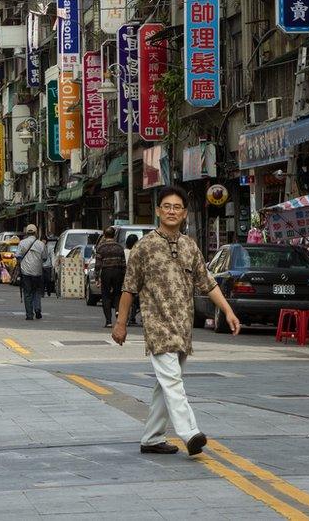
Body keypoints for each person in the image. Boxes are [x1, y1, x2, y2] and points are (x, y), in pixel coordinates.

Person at [113, 186, 241, 457]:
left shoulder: (189, 246)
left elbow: (208, 284)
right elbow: (129, 288)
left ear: (184, 214)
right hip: (157, 326)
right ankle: (190, 433)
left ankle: (151, 437)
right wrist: (120, 323)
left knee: (166, 383)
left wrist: (228, 311)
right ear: (159, 211)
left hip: (183, 327)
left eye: (177, 207)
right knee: (172, 381)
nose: (171, 211)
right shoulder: (144, 247)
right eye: (166, 206)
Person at [93, 227, 126, 328]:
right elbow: (124, 263)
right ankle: (117, 310)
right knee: (117, 294)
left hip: (106, 272)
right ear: (114, 235)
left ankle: (108, 321)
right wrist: (124, 276)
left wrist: (97, 277)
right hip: (118, 271)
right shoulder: (119, 247)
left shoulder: (101, 248)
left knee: (106, 296)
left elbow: (98, 264)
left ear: (104, 235)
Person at [17, 224, 47, 320]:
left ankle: (29, 315)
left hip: (26, 272)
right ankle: (37, 309)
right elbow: (45, 258)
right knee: (37, 291)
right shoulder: (41, 244)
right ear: (36, 232)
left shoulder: (22, 243)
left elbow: (18, 255)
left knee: (27, 293)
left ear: (27, 232)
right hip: (38, 272)